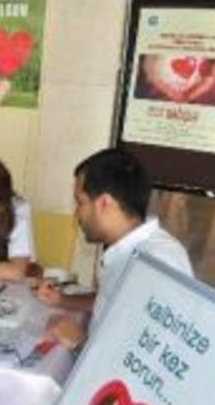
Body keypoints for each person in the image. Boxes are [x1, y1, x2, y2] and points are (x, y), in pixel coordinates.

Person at [38, 148, 192, 350]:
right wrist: (63, 300)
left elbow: (152, 359)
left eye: (80, 202)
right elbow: (111, 299)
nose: (77, 214)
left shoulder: (158, 261)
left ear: (104, 203)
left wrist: (78, 342)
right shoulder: (125, 249)